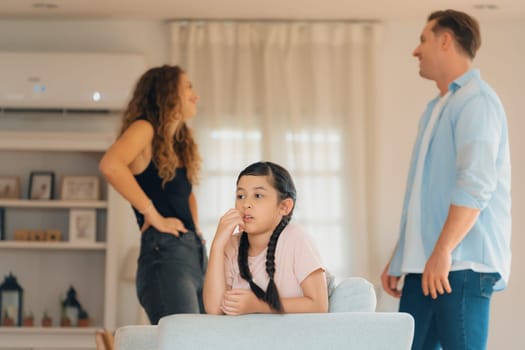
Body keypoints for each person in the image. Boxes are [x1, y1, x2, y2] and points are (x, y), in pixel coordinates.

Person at [381, 9, 511, 350]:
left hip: (460, 266)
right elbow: (423, 197)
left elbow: (476, 183)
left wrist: (443, 250)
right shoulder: (437, 107)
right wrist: (401, 256)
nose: (416, 50)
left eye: (423, 40)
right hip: (424, 267)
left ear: (445, 41)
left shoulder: (477, 101)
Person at [99, 65, 206, 325]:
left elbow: (186, 195)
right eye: (188, 86)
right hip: (165, 255)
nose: (196, 95)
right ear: (168, 91)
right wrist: (153, 215)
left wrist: (197, 232)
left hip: (193, 253)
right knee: (186, 340)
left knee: (203, 339)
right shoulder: (144, 129)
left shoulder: (180, 143)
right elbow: (110, 165)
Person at [204, 161, 328, 315]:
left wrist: (259, 305)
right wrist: (217, 245)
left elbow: (319, 305)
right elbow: (214, 310)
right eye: (240, 196)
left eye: (258, 195)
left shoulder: (296, 239)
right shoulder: (230, 245)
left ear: (284, 207)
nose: (246, 204)